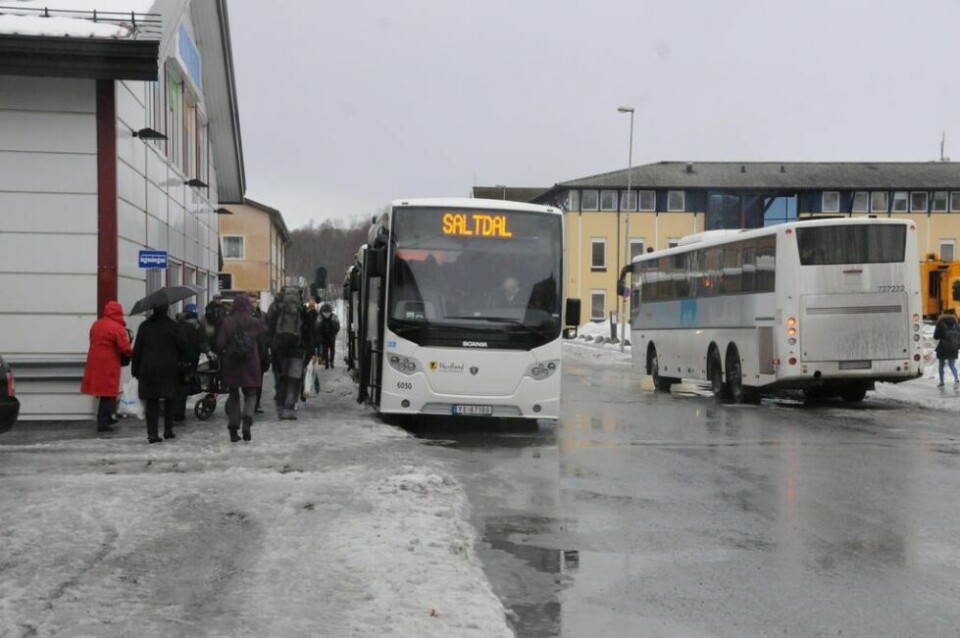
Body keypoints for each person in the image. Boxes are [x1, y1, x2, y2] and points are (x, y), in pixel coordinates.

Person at [132, 305, 187, 443]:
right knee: (170, 398)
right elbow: (183, 346)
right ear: (166, 310)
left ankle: (152, 433)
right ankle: (168, 430)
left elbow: (137, 349)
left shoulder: (144, 326)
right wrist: (184, 362)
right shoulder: (173, 326)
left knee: (152, 401)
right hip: (169, 368)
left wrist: (135, 369)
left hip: (149, 368)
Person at [217, 294, 266, 442]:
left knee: (233, 395)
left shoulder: (227, 321)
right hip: (251, 363)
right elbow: (264, 340)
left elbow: (220, 344)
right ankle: (247, 422)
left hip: (232, 363)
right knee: (251, 394)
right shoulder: (254, 322)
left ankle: (233, 428)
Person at [80, 300, 133, 433]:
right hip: (108, 363)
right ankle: (103, 423)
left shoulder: (97, 324)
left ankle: (107, 417)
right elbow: (124, 347)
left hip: (94, 361)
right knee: (107, 393)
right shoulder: (116, 327)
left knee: (103, 392)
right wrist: (132, 352)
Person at [267, 286, 307, 419]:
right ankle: (290, 409)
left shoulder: (275, 308)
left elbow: (268, 328)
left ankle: (280, 408)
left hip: (279, 350)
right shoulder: (301, 309)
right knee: (294, 380)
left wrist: (271, 346)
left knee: (281, 379)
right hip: (297, 350)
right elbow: (308, 330)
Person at [173, 303, 208, 421]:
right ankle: (179, 412)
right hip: (190, 360)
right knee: (184, 386)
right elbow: (201, 343)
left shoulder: (176, 325)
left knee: (176, 385)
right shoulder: (197, 326)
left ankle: (175, 410)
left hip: (176, 360)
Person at [249, 292, 271, 414]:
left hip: (261, 353)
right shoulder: (243, 316)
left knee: (259, 381)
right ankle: (250, 402)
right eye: (250, 302)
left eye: (254, 301)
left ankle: (256, 403)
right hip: (248, 354)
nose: (252, 304)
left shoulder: (263, 315)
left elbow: (268, 332)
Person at [933, 308, 960, 387]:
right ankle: (956, 378)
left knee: (941, 365)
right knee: (952, 364)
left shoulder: (941, 323)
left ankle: (942, 382)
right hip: (953, 348)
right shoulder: (956, 324)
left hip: (943, 347)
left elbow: (936, 336)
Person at [316, 302, 340, 369]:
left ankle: (326, 364)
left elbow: (317, 327)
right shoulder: (334, 316)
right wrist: (335, 333)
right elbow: (337, 326)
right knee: (332, 349)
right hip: (332, 336)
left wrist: (319, 335)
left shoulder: (320, 316)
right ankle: (332, 362)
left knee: (325, 350)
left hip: (324, 337)